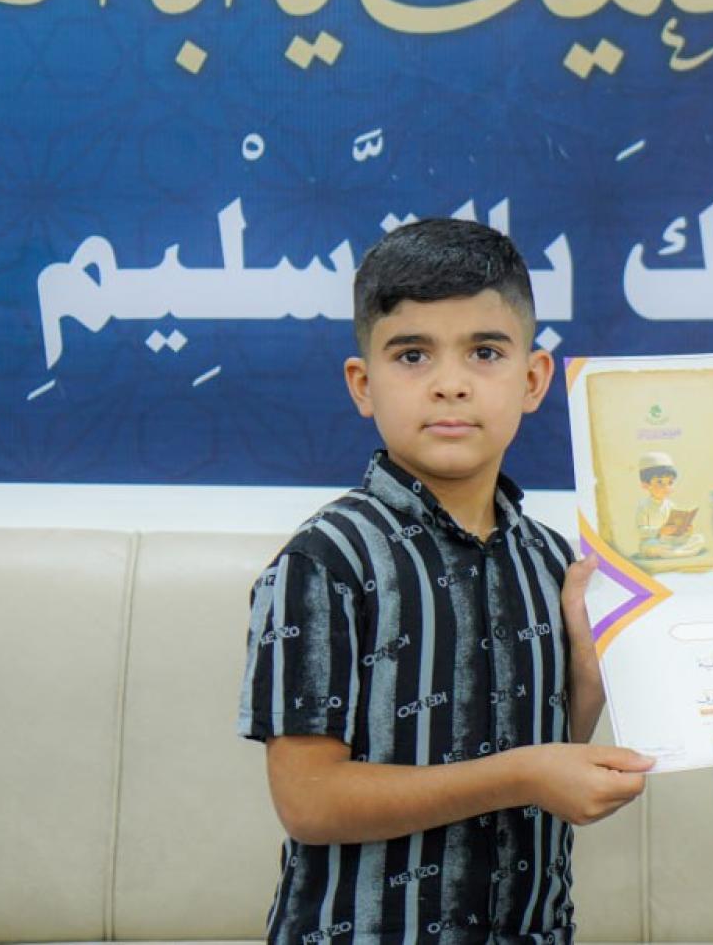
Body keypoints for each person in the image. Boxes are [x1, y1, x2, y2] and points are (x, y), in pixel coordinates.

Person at [238, 218, 654, 945]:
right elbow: (309, 800)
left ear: (533, 379)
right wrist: (521, 775)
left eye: (485, 353)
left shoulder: (554, 562)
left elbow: (554, 749)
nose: (451, 384)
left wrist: (589, 674)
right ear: (363, 384)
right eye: (412, 355)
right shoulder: (326, 561)